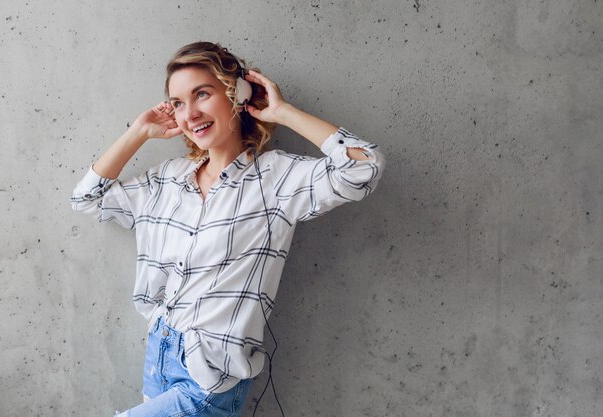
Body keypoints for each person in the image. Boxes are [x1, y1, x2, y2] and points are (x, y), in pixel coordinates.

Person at [70, 41, 385, 417]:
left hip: (210, 378)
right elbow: (87, 198)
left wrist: (282, 111)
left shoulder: (276, 179)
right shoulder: (168, 180)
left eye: (202, 94)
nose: (190, 113)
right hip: (160, 353)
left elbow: (364, 167)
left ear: (237, 94)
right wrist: (139, 131)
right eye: (178, 102)